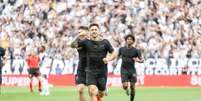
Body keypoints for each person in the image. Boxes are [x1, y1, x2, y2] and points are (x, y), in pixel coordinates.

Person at [77, 23, 116, 101]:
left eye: (95, 30)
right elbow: (72, 45)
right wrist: (79, 35)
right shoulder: (86, 42)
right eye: (92, 30)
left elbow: (113, 52)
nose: (94, 31)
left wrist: (108, 59)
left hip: (102, 72)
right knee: (92, 91)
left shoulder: (105, 42)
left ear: (99, 31)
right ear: (89, 32)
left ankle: (103, 89)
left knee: (100, 93)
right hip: (90, 71)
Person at [116, 34, 144, 101]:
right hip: (124, 69)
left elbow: (142, 60)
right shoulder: (121, 49)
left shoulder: (136, 51)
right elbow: (117, 56)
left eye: (131, 39)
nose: (129, 40)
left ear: (133, 41)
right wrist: (116, 62)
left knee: (132, 87)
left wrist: (138, 61)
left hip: (132, 70)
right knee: (125, 86)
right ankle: (126, 89)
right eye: (128, 39)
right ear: (126, 40)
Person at [70, 26, 89, 101]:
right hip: (81, 68)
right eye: (78, 32)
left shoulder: (91, 40)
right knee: (80, 90)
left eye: (80, 32)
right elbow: (71, 45)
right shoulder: (77, 42)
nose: (79, 34)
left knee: (93, 92)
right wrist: (78, 35)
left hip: (92, 68)